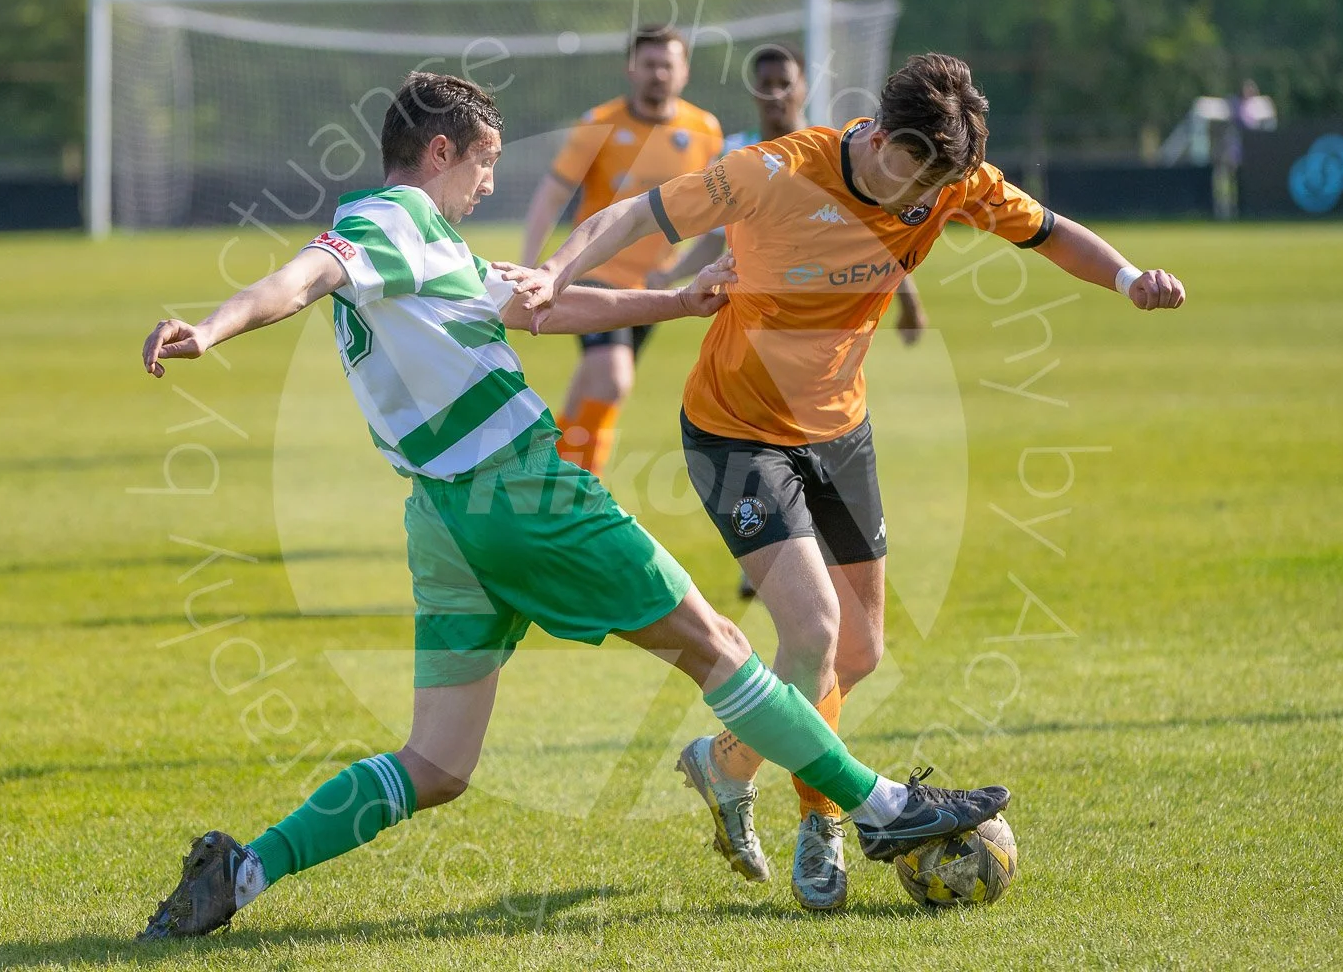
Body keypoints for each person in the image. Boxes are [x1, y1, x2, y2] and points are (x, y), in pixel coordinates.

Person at [133, 71, 1010, 939]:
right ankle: (883, 805)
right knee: (723, 649)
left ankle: (241, 871)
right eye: (485, 163)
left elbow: (534, 308)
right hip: (524, 492)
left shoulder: (429, 243)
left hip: (441, 518)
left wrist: (679, 298)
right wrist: (211, 328)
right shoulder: (387, 222)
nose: (488, 183)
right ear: (440, 150)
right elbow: (304, 274)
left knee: (436, 764)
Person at [504, 53, 1185, 912]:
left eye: (945, 182)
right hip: (735, 429)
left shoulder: (951, 180)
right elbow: (628, 215)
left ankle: (725, 764)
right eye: (918, 174)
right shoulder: (773, 170)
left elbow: (1050, 232)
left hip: (840, 432)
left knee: (862, 651)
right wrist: (554, 273)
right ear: (885, 139)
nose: (927, 197)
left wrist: (1128, 278)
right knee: (815, 631)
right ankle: (827, 822)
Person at [645, 42, 929, 607]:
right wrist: (675, 274)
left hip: (818, 328)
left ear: (801, 87)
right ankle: (778, 555)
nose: (774, 92)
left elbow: (886, 238)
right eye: (764, 83)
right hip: (753, 316)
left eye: (784, 81)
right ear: (754, 92)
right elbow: (710, 223)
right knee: (755, 426)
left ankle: (792, 555)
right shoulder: (740, 152)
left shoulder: (837, 155)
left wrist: (910, 302)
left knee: (812, 437)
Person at [521, 25, 723, 476]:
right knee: (613, 378)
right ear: (631, 69)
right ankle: (582, 491)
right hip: (592, 271)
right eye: (649, 64)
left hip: (652, 285)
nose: (658, 74)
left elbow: (712, 218)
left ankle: (545, 474)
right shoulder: (600, 124)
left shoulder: (705, 130)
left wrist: (678, 272)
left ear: (684, 71)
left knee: (592, 390)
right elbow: (552, 195)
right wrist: (531, 265)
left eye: (667, 65)